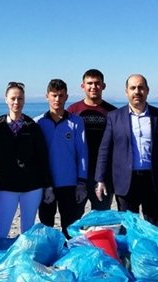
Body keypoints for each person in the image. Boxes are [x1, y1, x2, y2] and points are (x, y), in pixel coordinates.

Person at [95, 74, 158, 228]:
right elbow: (105, 150)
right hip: (125, 182)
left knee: (154, 228)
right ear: (126, 91)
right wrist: (100, 179)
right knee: (128, 229)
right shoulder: (114, 117)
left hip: (153, 181)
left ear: (147, 90)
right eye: (133, 88)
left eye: (141, 87)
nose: (137, 91)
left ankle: (152, 253)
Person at [0, 82, 51, 243]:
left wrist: (47, 186)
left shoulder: (32, 127)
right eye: (13, 98)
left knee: (27, 233)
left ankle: (23, 265)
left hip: (32, 188)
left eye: (20, 98)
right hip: (8, 187)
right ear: (6, 99)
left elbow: (42, 159)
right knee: (1, 231)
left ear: (24, 100)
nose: (16, 102)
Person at [37, 79, 89, 237]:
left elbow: (82, 153)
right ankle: (50, 257)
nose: (57, 100)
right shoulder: (38, 122)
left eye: (61, 96)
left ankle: (69, 259)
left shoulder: (76, 122)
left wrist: (82, 182)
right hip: (46, 184)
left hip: (69, 183)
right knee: (47, 226)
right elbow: (35, 157)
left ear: (66, 97)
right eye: (54, 95)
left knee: (70, 227)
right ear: (47, 96)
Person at [67, 69, 117, 211]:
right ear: (82, 86)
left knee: (101, 217)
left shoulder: (112, 112)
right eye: (89, 83)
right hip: (78, 174)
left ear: (103, 86)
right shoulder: (73, 110)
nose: (93, 87)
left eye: (97, 83)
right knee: (74, 217)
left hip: (103, 174)